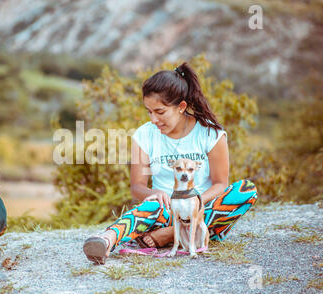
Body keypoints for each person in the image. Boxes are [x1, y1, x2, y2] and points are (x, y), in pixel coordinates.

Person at [83, 62, 258, 264]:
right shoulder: (144, 135)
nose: (154, 119)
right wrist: (154, 194)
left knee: (246, 190)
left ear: (181, 107)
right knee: (151, 204)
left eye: (160, 111)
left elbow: (220, 184)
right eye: (149, 112)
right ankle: (106, 241)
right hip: (166, 212)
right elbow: (137, 187)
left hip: (203, 212)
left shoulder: (211, 133)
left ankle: (172, 235)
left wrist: (196, 202)